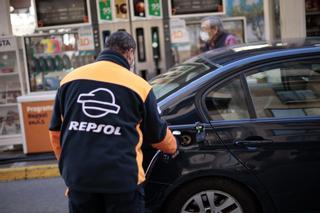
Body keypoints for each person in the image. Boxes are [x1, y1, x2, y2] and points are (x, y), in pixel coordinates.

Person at [49, 31, 177, 213]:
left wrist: (69, 169)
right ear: (130, 52)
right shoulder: (138, 86)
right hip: (123, 182)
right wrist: (173, 147)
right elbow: (157, 134)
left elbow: (55, 133)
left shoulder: (70, 80)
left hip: (80, 179)